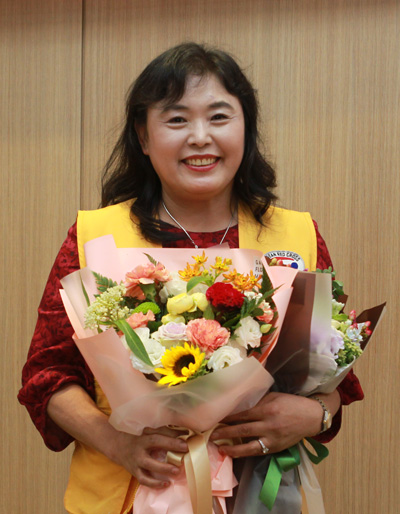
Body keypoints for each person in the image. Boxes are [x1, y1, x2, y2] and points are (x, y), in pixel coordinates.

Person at [18, 42, 363, 514]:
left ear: (246, 128)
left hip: (262, 494)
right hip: (129, 491)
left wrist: (315, 413)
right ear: (143, 136)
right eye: (177, 119)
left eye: (219, 117)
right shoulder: (95, 237)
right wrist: (118, 443)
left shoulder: (296, 235)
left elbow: (334, 369)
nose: (200, 137)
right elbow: (48, 375)